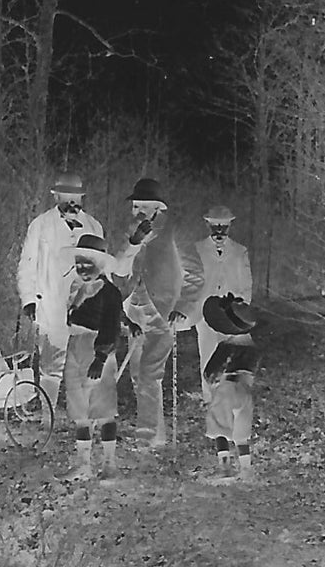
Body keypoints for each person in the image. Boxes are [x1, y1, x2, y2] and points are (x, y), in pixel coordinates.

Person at [108, 178, 201, 448]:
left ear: (158, 208)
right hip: (135, 310)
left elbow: (195, 274)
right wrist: (134, 243)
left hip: (163, 311)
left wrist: (183, 307)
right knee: (138, 374)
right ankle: (157, 435)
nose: (136, 211)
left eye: (142, 206)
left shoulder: (175, 229)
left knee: (150, 372)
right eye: (135, 206)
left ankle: (146, 435)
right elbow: (119, 270)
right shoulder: (132, 230)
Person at [18, 173, 103, 407]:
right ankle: (49, 419)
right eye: (67, 197)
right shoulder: (42, 225)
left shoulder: (94, 226)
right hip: (51, 305)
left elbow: (102, 268)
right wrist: (29, 300)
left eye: (76, 198)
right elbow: (27, 264)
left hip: (87, 308)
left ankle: (87, 419)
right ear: (57, 197)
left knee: (86, 362)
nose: (72, 203)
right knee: (51, 367)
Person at [190, 204, 258, 475]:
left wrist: (238, 310)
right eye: (214, 226)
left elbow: (246, 287)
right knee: (211, 374)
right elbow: (191, 283)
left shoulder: (240, 252)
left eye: (224, 226)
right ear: (207, 225)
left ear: (230, 226)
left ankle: (239, 439)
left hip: (233, 319)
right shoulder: (196, 250)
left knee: (237, 377)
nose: (219, 231)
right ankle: (220, 441)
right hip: (207, 319)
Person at [63, 234, 125, 481]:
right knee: (79, 408)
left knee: (102, 407)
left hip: (97, 348)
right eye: (79, 265)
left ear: (100, 265)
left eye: (89, 265)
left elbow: (111, 325)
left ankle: (109, 462)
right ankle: (83, 463)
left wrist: (100, 357)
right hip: (75, 345)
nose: (83, 270)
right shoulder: (77, 288)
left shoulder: (110, 292)